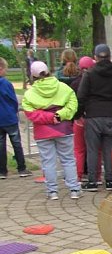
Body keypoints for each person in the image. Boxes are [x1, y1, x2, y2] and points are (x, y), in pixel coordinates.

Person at [21, 60, 80, 200]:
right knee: (68, 160)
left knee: (48, 162)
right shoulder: (63, 87)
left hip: (42, 132)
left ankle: (52, 191)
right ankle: (74, 189)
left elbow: (30, 113)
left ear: (33, 76)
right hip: (63, 129)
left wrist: (48, 117)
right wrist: (59, 115)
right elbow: (73, 105)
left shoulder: (30, 94)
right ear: (48, 71)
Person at [77, 44, 112, 191]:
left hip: (93, 116)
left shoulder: (89, 74)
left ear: (95, 58)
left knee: (92, 149)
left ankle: (92, 181)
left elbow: (81, 96)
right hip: (110, 115)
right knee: (109, 149)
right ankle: (111, 181)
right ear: (110, 57)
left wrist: (79, 114)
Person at [0, 57, 30, 179]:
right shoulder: (6, 83)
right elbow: (13, 100)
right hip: (9, 117)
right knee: (16, 143)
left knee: (1, 145)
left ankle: (2, 171)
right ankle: (21, 168)